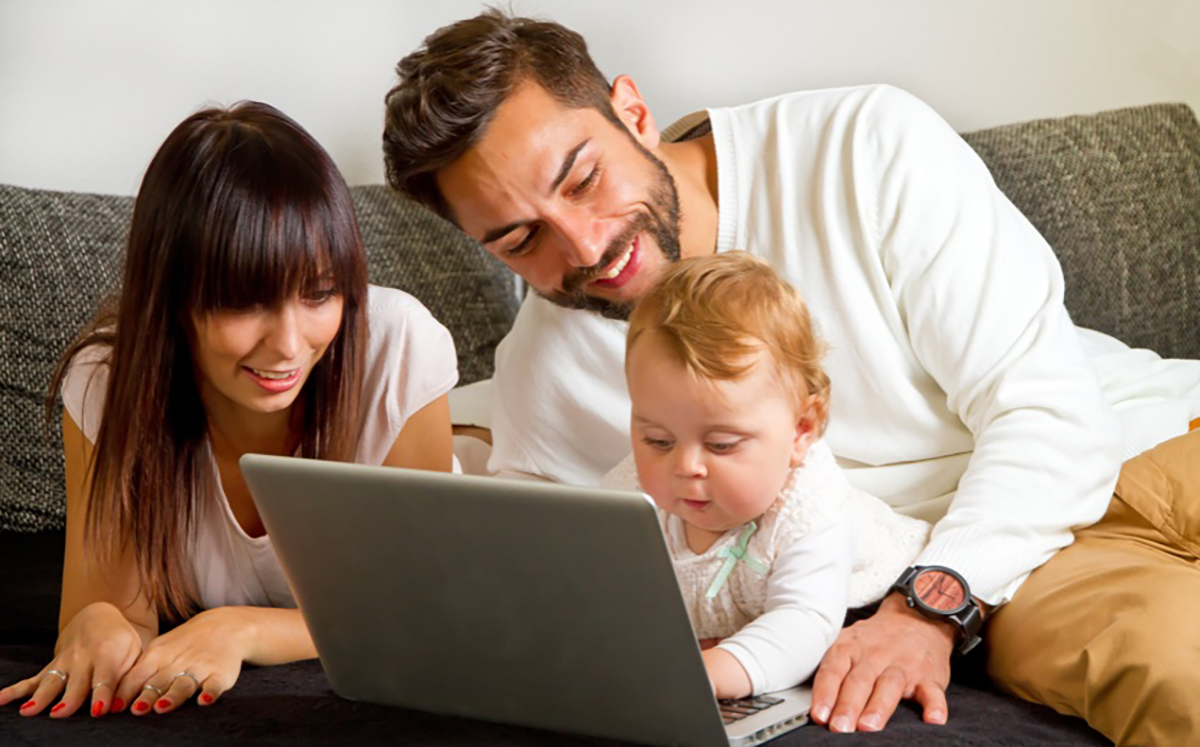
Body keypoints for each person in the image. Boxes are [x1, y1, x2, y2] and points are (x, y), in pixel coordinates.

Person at [381, 10, 1200, 742]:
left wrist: (921, 612)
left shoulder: (863, 145)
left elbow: (1048, 404)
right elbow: (538, 567)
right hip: (1037, 556)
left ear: (632, 111)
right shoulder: (544, 371)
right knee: (1180, 675)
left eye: (584, 177)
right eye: (521, 240)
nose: (584, 245)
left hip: (1154, 430)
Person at [0, 102, 459, 719]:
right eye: (245, 303)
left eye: (320, 293)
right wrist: (96, 627)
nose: (290, 345)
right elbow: (117, 615)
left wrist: (243, 629)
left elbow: (425, 610)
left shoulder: (400, 349)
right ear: (172, 298)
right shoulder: (106, 384)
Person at [599, 251, 928, 699]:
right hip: (735, 645)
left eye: (721, 445)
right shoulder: (630, 496)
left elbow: (803, 623)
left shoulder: (809, 507)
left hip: (862, 615)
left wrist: (702, 674)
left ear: (800, 430)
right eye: (658, 440)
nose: (685, 466)